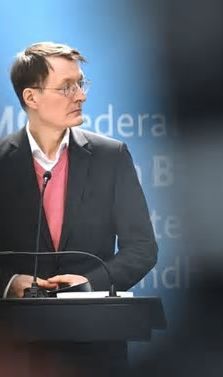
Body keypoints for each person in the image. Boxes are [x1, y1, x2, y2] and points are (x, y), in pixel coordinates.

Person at [0, 42, 158, 297]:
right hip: (14, 331)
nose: (80, 95)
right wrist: (9, 283)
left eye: (80, 84)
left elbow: (142, 248)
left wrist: (90, 284)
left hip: (94, 327)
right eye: (66, 88)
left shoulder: (111, 156)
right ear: (31, 97)